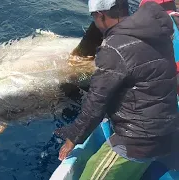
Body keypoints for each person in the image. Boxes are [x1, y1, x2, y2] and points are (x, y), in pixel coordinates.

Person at [54, 0, 179, 179]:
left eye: (94, 18)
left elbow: (95, 103)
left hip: (137, 142)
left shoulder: (113, 47)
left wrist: (73, 138)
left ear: (100, 16)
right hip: (166, 131)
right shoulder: (156, 31)